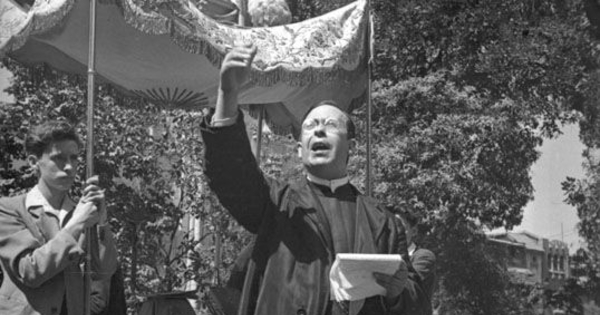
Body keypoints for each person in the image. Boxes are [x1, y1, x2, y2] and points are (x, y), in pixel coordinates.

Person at [200, 43, 429, 315]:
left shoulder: (385, 224)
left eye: (330, 126)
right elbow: (232, 175)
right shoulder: (276, 204)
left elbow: (414, 306)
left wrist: (395, 295)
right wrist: (228, 93)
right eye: (310, 127)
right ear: (299, 149)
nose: (318, 131)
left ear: (351, 147)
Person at [0, 120, 118, 315]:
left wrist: (101, 220)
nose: (70, 167)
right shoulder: (10, 209)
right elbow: (29, 271)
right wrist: (77, 222)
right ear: (33, 161)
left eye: (74, 158)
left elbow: (105, 271)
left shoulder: (81, 211)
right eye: (59, 158)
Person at [395, 209, 436, 315]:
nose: (395, 232)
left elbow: (410, 290)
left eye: (400, 227)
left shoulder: (423, 256)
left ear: (413, 231)